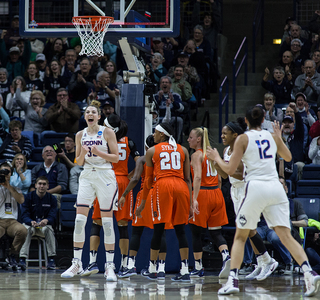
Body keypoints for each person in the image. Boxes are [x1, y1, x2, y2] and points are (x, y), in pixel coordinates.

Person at [206, 106, 320, 297]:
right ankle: (309, 272)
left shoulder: (243, 138)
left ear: (246, 121)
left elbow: (230, 168)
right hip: (275, 187)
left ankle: (232, 280)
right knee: (286, 236)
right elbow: (288, 157)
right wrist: (279, 138)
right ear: (263, 120)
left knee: (241, 236)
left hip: (256, 187)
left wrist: (216, 157)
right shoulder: (270, 135)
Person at [61, 100, 119, 281]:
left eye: (93, 112)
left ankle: (110, 266)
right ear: (85, 117)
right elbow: (78, 162)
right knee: (79, 221)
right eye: (87, 112)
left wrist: (98, 152)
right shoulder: (80, 134)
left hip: (105, 175)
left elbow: (116, 158)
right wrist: (84, 154)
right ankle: (76, 263)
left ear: (99, 116)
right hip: (87, 175)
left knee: (108, 223)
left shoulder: (107, 132)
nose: (90, 114)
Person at [216, 119, 278, 280]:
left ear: (235, 135)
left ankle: (268, 261)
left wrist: (222, 164)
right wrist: (216, 163)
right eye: (222, 133)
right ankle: (260, 262)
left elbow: (242, 174)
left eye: (225, 133)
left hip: (246, 189)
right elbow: (224, 175)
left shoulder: (242, 150)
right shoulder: (226, 151)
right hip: (234, 190)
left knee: (248, 228)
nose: (222, 136)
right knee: (248, 229)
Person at [83, 114, 140, 275]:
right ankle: (123, 265)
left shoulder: (103, 140)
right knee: (122, 226)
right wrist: (132, 174)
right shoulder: (129, 141)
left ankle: (93, 262)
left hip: (105, 179)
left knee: (97, 222)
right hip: (123, 182)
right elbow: (140, 160)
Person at [135, 122, 192, 281]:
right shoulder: (184, 150)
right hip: (181, 186)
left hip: (163, 186)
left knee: (159, 229)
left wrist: (143, 202)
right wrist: (191, 203)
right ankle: (185, 270)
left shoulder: (152, 151)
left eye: (155, 132)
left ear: (162, 134)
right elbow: (188, 178)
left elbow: (148, 181)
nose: (153, 135)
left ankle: (153, 269)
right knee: (180, 230)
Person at [117, 135, 167, 278]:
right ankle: (160, 267)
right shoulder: (163, 157)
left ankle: (131, 266)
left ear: (146, 147)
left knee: (137, 232)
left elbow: (134, 178)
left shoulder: (143, 159)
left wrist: (124, 194)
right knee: (161, 232)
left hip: (145, 195)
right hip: (160, 194)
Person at [187, 127, 231, 278]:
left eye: (191, 137)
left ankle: (199, 267)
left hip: (203, 193)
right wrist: (216, 193)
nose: (188, 140)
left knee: (196, 233)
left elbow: (197, 177)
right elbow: (220, 178)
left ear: (198, 139)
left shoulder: (196, 155)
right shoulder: (213, 153)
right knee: (216, 232)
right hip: (216, 193)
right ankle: (226, 256)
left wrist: (194, 199)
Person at [19, 176, 58, 270]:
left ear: (48, 186)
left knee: (49, 229)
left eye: (44, 184)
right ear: (36, 185)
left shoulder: (52, 198)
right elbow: (24, 215)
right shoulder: (28, 197)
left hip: (44, 227)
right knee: (25, 230)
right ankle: (22, 259)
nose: (42, 186)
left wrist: (47, 220)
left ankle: (51, 259)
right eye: (40, 184)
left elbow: (53, 215)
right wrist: (30, 221)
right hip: (31, 225)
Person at [0, 162, 27, 271]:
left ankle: (12, 255)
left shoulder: (16, 188)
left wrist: (9, 187)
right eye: (3, 171)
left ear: (11, 173)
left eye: (8, 172)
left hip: (12, 222)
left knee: (23, 230)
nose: (5, 174)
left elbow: (21, 200)